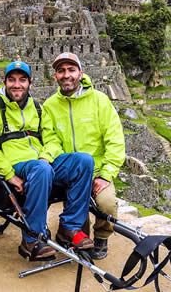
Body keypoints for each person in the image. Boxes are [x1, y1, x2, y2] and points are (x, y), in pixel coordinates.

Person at [0, 61, 95, 261]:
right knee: (41, 169)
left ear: (30, 83)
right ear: (4, 82)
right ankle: (32, 239)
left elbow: (52, 139)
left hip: (40, 161)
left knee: (84, 161)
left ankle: (69, 228)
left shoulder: (37, 108)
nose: (17, 85)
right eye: (12, 80)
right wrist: (9, 174)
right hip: (14, 163)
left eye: (22, 80)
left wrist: (45, 157)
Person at [41, 52, 126, 260]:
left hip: (97, 170)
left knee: (107, 204)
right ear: (55, 76)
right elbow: (50, 140)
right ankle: (71, 234)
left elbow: (115, 139)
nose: (66, 75)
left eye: (71, 70)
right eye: (61, 71)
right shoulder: (50, 106)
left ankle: (102, 236)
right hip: (71, 169)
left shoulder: (99, 101)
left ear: (80, 73)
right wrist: (54, 161)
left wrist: (106, 174)